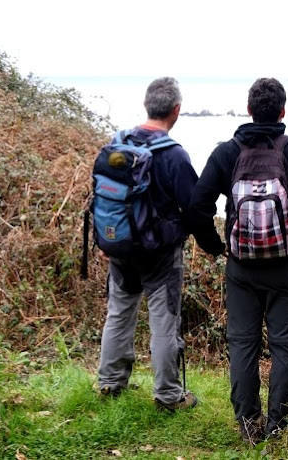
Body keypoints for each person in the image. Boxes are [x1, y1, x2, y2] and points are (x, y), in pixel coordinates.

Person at [188, 77, 288, 443]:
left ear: (249, 109)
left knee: (243, 344)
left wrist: (214, 246)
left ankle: (247, 424)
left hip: (241, 268)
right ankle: (278, 428)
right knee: (285, 346)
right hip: (287, 266)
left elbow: (196, 207)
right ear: (283, 111)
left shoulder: (227, 153)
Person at [97, 76, 199, 411]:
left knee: (119, 314)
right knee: (164, 322)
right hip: (160, 255)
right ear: (176, 110)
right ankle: (168, 396)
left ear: (146, 105)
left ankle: (110, 383)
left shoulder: (118, 142)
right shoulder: (175, 156)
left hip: (120, 245)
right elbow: (195, 206)